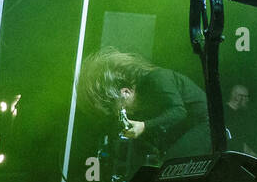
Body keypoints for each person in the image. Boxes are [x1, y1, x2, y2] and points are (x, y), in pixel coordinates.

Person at [77, 46, 210, 160]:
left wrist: (144, 126)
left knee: (172, 160)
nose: (125, 112)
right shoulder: (142, 105)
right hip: (191, 128)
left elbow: (178, 112)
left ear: (125, 92)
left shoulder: (156, 78)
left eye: (118, 107)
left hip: (208, 123)